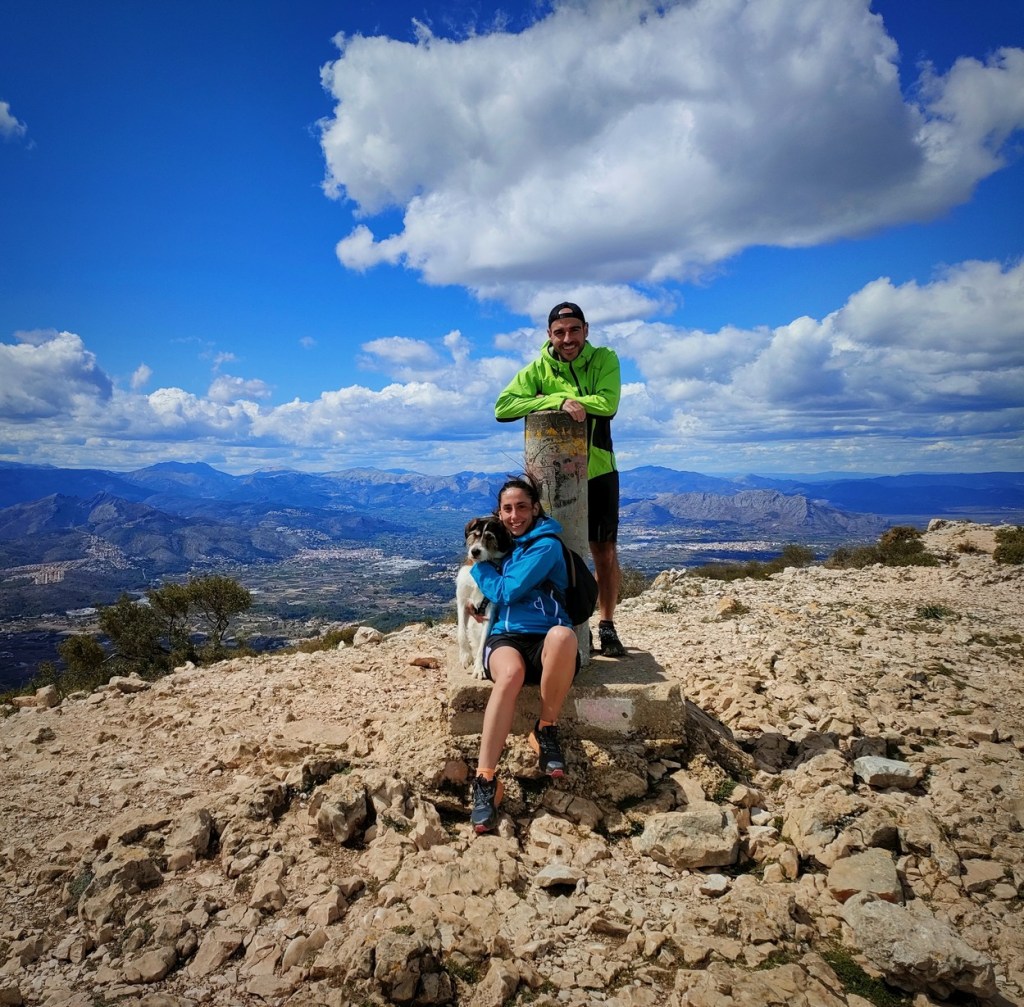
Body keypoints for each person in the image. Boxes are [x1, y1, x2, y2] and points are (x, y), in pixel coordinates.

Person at [494, 301, 626, 657]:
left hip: (598, 469)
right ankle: (557, 624)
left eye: (574, 330)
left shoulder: (604, 359)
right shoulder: (539, 368)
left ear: (586, 330)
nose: (568, 339)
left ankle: (607, 624)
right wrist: (558, 399)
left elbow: (607, 403)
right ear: (549, 335)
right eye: (560, 332)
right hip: (551, 479)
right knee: (550, 547)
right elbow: (503, 407)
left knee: (603, 551)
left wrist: (547, 398)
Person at [467, 475, 580, 833]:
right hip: (506, 638)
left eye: (521, 507)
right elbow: (494, 597)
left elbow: (507, 590)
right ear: (499, 513)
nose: (514, 515)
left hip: (547, 640)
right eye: (507, 509)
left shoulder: (545, 547)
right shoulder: (504, 545)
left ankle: (545, 729)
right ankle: (485, 779)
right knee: (510, 675)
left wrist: (479, 568)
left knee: (563, 636)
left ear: (535, 509)